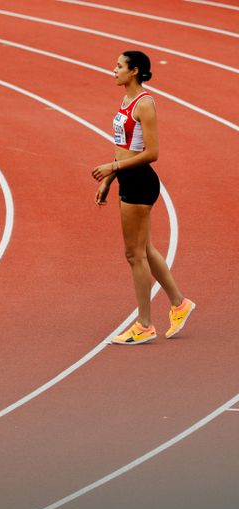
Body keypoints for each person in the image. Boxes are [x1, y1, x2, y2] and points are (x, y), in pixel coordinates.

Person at [92, 50, 195, 345]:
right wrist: (110, 180)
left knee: (133, 255)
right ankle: (179, 303)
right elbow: (122, 146)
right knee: (145, 249)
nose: (113, 70)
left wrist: (113, 167)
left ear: (134, 71)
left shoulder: (145, 104)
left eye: (119, 66)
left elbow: (152, 153)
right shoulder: (125, 100)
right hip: (127, 180)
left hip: (140, 183)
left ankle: (145, 324)